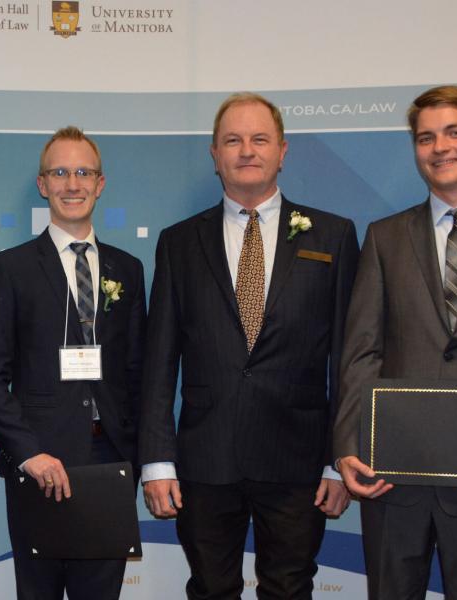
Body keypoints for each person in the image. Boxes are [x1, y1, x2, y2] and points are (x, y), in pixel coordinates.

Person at [139, 92, 359, 599]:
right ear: (214, 155)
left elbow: (350, 359)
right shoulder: (180, 242)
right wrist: (157, 460)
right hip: (205, 462)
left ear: (282, 151)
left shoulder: (333, 235)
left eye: (259, 139)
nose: (246, 150)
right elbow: (158, 360)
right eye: (232, 140)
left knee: (289, 589)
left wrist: (339, 459)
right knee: (211, 590)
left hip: (299, 462)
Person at [334, 85, 457, 599]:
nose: (440, 148)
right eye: (426, 138)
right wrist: (347, 448)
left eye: (454, 132)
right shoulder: (385, 237)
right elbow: (362, 350)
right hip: (392, 481)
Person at [0, 126, 146, 599]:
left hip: (109, 460)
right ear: (43, 184)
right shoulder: (13, 268)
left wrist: (141, 455)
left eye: (84, 172)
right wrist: (28, 452)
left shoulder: (127, 269)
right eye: (61, 172)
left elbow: (137, 372)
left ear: (101, 183)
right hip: (39, 462)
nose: (73, 183)